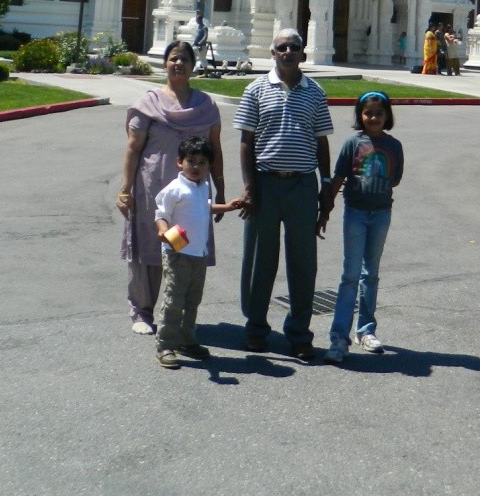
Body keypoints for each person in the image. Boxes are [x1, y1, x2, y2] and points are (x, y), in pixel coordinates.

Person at [235, 27, 333, 362]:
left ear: (302, 53)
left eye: (294, 47)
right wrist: (249, 188)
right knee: (260, 259)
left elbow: (322, 142)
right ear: (272, 54)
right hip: (265, 183)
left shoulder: (315, 92)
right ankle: (256, 329)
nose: (288, 52)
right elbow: (246, 143)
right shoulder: (255, 90)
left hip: (303, 185)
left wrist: (328, 187)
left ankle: (300, 335)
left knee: (303, 262)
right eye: (281, 48)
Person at [118, 40, 225, 334]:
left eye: (184, 60)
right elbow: (132, 148)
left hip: (193, 194)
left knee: (186, 250)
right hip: (152, 189)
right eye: (173, 58)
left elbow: (215, 149)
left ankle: (176, 314)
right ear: (165, 63)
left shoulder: (206, 107)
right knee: (149, 248)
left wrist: (222, 189)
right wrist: (125, 189)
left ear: (193, 66)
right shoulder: (148, 104)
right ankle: (141, 311)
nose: (178, 64)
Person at [319, 91, 404, 363]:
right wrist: (325, 210)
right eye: (368, 113)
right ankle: (339, 337)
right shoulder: (352, 143)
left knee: (372, 274)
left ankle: (366, 331)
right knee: (350, 274)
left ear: (387, 116)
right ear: (360, 116)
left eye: (379, 113)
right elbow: (338, 177)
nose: (373, 118)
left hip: (381, 214)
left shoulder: (394, 146)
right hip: (355, 213)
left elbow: (396, 178)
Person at [152, 136, 243, 368]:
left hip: (198, 254)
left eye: (202, 162)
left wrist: (228, 206)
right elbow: (160, 215)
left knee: (192, 300)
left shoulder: (202, 187)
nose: (196, 167)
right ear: (179, 162)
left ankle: (186, 340)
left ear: (209, 166)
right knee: (174, 299)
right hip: (177, 252)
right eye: (191, 161)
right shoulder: (174, 189)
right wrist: (164, 232)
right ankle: (165, 345)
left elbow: (205, 208)